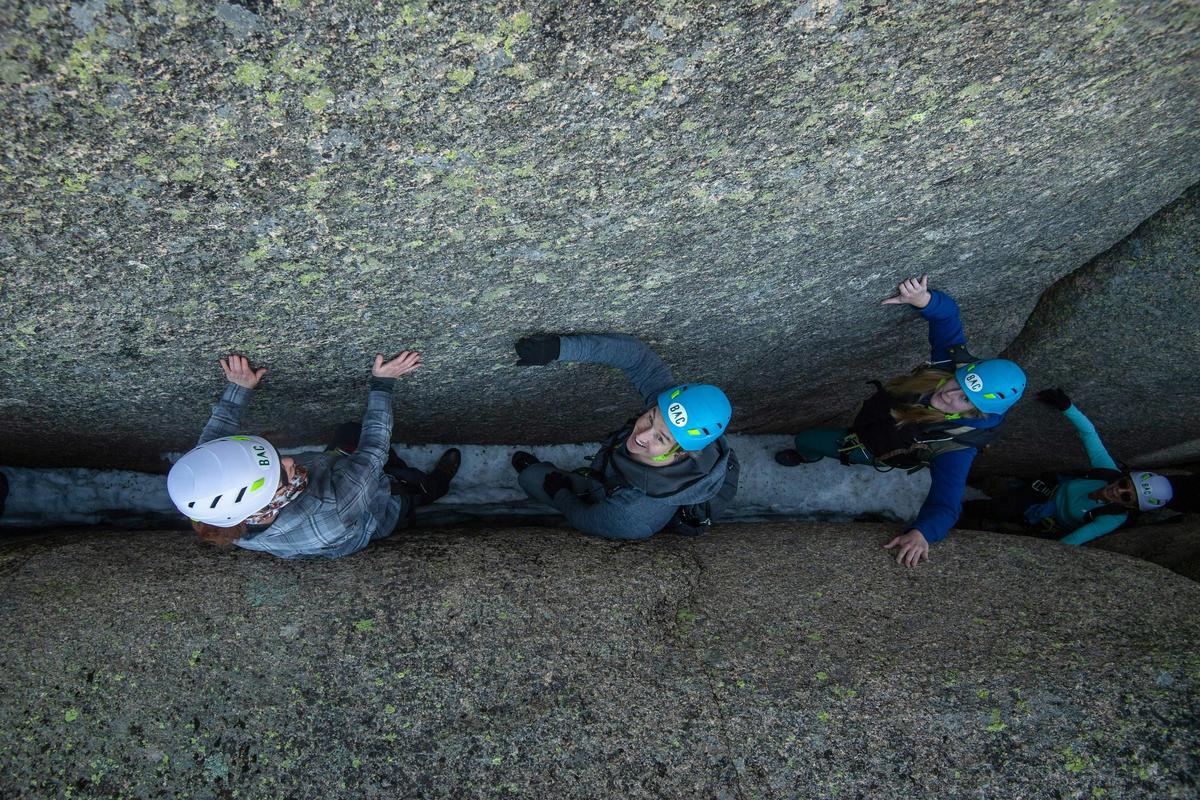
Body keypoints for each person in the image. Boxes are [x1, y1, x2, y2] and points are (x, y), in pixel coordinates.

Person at [775, 275, 1027, 567]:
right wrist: (924, 300)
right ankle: (807, 454)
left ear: (977, 413)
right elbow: (947, 318)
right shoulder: (948, 368)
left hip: (871, 447)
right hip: (873, 419)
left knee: (807, 438)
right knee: (806, 438)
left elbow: (946, 504)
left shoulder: (957, 446)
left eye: (967, 400)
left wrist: (924, 533)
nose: (950, 393)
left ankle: (807, 454)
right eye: (960, 383)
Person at [167, 353, 460, 558]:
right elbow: (372, 453)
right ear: (267, 499)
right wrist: (383, 383)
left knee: (349, 432)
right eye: (280, 475)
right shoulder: (333, 507)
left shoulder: (215, 506)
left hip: (325, 500)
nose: (289, 461)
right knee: (405, 487)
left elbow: (216, 441)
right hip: (365, 515)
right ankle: (436, 486)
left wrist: (239, 388)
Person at [510, 333, 739, 540]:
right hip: (607, 476)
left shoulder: (634, 515)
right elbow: (637, 358)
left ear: (681, 453)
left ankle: (541, 474)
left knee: (531, 478)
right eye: (650, 417)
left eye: (660, 438)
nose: (641, 434)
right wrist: (558, 348)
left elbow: (586, 519)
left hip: (608, 499)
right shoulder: (678, 423)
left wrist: (560, 494)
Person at [961, 388, 1175, 544]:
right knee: (1002, 504)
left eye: (1126, 496)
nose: (1118, 490)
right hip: (1050, 489)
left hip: (1047, 515)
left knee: (999, 509)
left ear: (1130, 507)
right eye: (1124, 483)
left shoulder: (1110, 519)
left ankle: (955, 512)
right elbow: (1090, 435)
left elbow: (1073, 541)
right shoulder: (1108, 473)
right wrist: (1067, 406)